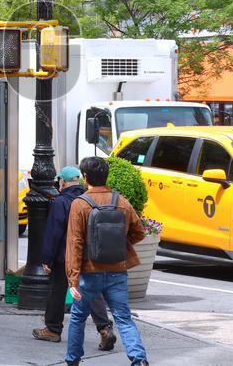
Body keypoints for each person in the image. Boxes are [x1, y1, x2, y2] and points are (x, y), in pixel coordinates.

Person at [64, 157, 148, 366]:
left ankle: (73, 360)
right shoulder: (121, 202)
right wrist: (119, 243)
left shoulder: (80, 204)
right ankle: (139, 360)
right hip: (117, 271)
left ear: (85, 177)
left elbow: (75, 243)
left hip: (89, 272)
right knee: (123, 318)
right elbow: (139, 232)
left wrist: (72, 280)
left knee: (78, 317)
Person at [32, 166, 116, 351]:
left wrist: (47, 259)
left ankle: (53, 329)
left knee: (57, 290)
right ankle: (104, 328)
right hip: (90, 255)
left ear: (62, 181)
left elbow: (53, 233)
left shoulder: (61, 202)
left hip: (66, 256)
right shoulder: (90, 199)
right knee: (92, 292)